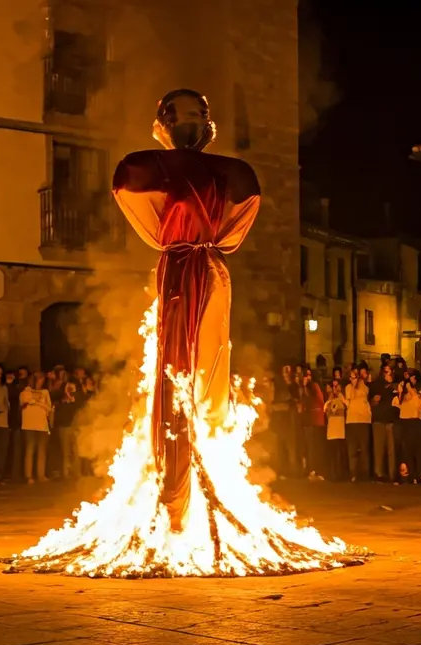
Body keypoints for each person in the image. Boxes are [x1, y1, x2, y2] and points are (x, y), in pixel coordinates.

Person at [112, 89, 260, 527]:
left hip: (210, 270)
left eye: (200, 113)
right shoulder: (149, 167)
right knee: (174, 364)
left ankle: (210, 452)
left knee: (212, 358)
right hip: (176, 268)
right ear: (166, 123)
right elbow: (129, 188)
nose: (193, 122)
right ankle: (174, 488)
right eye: (184, 115)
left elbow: (235, 228)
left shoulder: (230, 171)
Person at [20, 372, 53, 483]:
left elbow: (49, 408)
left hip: (42, 425)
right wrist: (32, 401)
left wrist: (38, 403)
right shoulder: (26, 391)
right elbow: (23, 404)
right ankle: (29, 476)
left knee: (41, 451)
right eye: (38, 378)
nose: (40, 380)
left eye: (42, 379)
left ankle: (41, 475)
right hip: (29, 424)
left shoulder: (45, 392)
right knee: (30, 449)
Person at [393, 372, 421, 483]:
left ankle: (420, 473)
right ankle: (411, 474)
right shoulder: (402, 395)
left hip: (415, 421)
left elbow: (418, 404)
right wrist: (402, 390)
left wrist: (410, 389)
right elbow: (398, 403)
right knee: (407, 450)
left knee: (418, 449)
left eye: (413, 379)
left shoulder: (419, 393)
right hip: (405, 422)